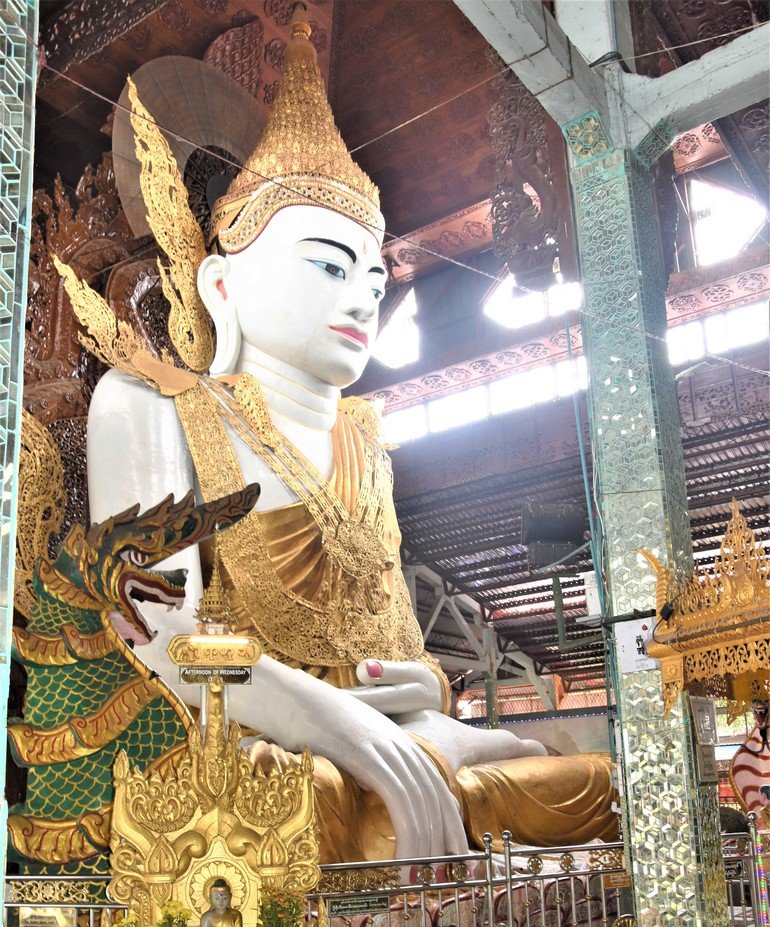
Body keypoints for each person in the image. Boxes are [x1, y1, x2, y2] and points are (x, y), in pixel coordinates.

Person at [82, 18, 615, 861]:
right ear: (223, 282)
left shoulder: (366, 433)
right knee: (309, 798)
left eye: (375, 274)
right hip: (250, 732)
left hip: (397, 726)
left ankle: (419, 809)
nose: (364, 297)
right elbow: (158, 633)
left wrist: (421, 686)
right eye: (329, 265)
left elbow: (395, 639)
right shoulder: (149, 403)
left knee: (585, 781)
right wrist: (340, 725)